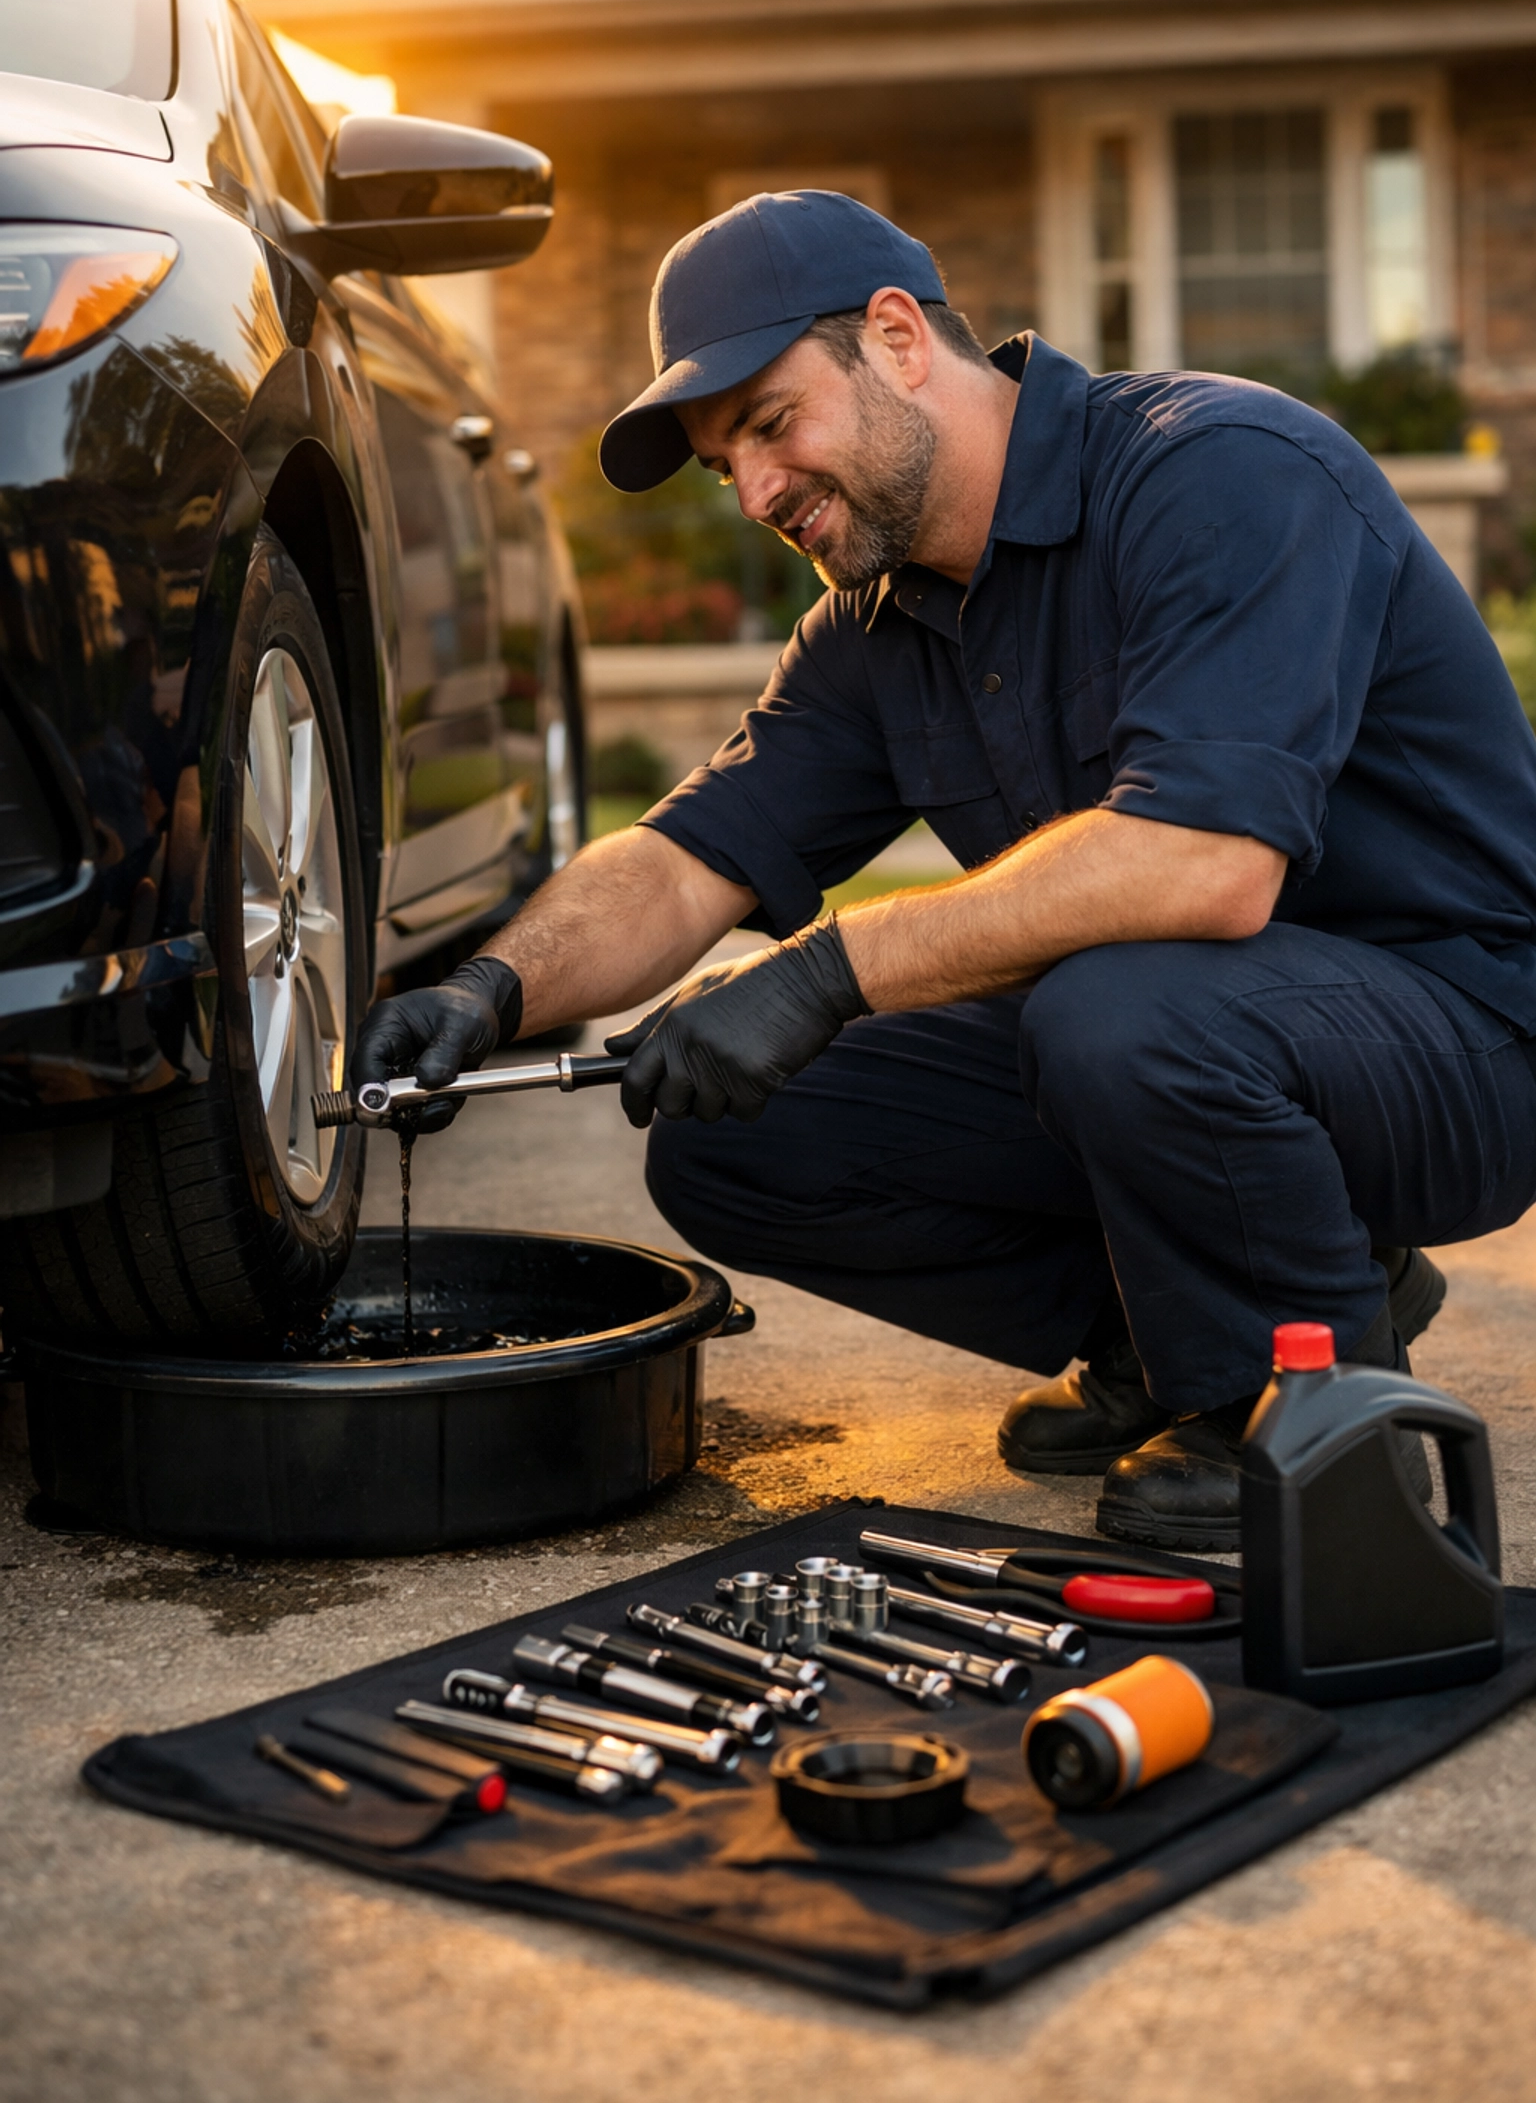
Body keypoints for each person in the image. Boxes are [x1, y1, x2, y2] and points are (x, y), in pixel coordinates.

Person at [354, 189, 1536, 1551]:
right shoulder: (877, 624)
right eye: (718, 465)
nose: (752, 493)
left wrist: (828, 969)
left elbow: (1207, 867)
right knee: (732, 1134)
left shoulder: (1221, 472)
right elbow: (689, 858)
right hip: (1212, 1045)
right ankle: (1194, 1331)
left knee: (1120, 1007)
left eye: (769, 425)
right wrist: (496, 987)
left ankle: (1294, 1403)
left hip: (1461, 1042)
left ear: (899, 339)